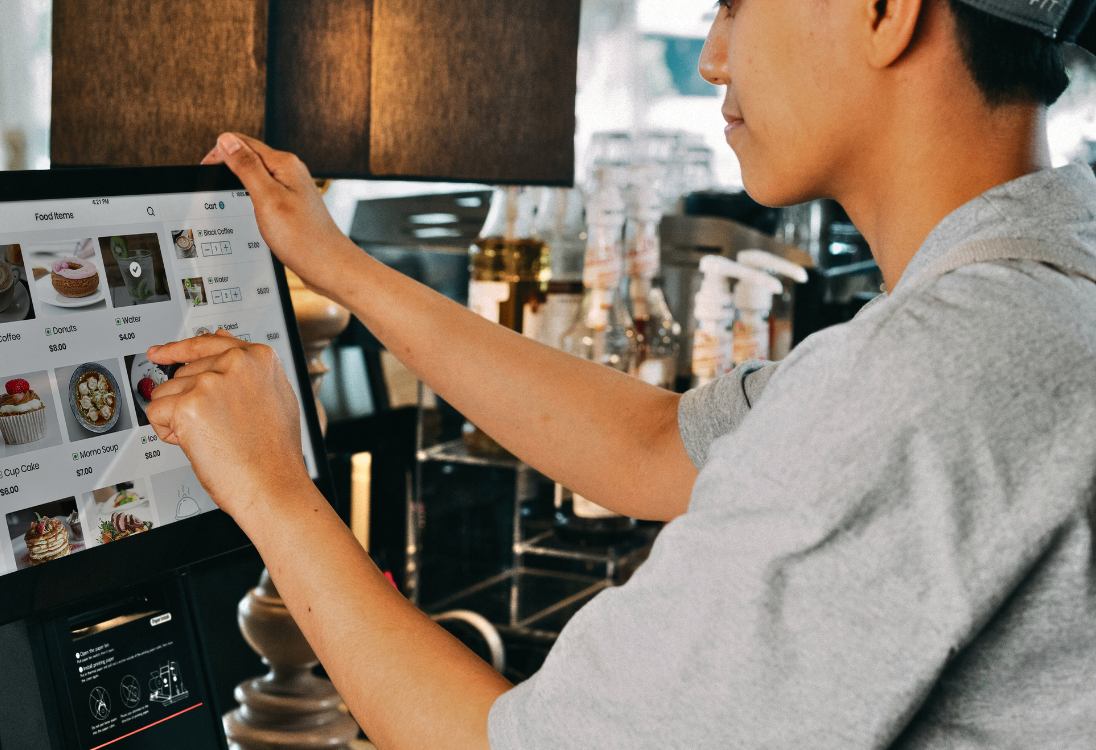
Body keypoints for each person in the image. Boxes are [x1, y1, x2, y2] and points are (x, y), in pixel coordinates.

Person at [145, 0, 1096, 746]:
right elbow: (650, 444)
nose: (713, 55)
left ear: (884, 9)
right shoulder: (1033, 293)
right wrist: (342, 265)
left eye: (733, 3)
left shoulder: (931, 372)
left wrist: (271, 490)